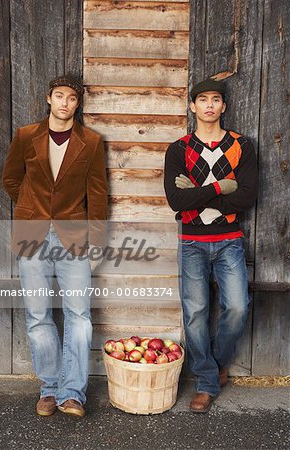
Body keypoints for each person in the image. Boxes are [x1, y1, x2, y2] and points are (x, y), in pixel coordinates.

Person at [2, 75, 108, 417]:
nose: (65, 103)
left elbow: (98, 194)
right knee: (37, 314)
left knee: (79, 316)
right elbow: (11, 179)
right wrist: (31, 207)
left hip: (73, 234)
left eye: (72, 98)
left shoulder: (91, 142)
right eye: (59, 96)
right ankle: (49, 389)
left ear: (78, 104)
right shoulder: (25, 136)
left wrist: (98, 241)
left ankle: (72, 392)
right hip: (31, 232)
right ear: (49, 98)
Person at [164, 78, 258, 413]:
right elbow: (176, 200)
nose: (208, 105)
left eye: (215, 99)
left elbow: (247, 197)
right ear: (192, 106)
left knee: (237, 307)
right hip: (191, 241)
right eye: (202, 99)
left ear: (223, 106)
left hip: (229, 240)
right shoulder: (179, 149)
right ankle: (206, 381)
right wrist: (221, 187)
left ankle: (217, 362)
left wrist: (197, 191)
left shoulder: (240, 146)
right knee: (196, 313)